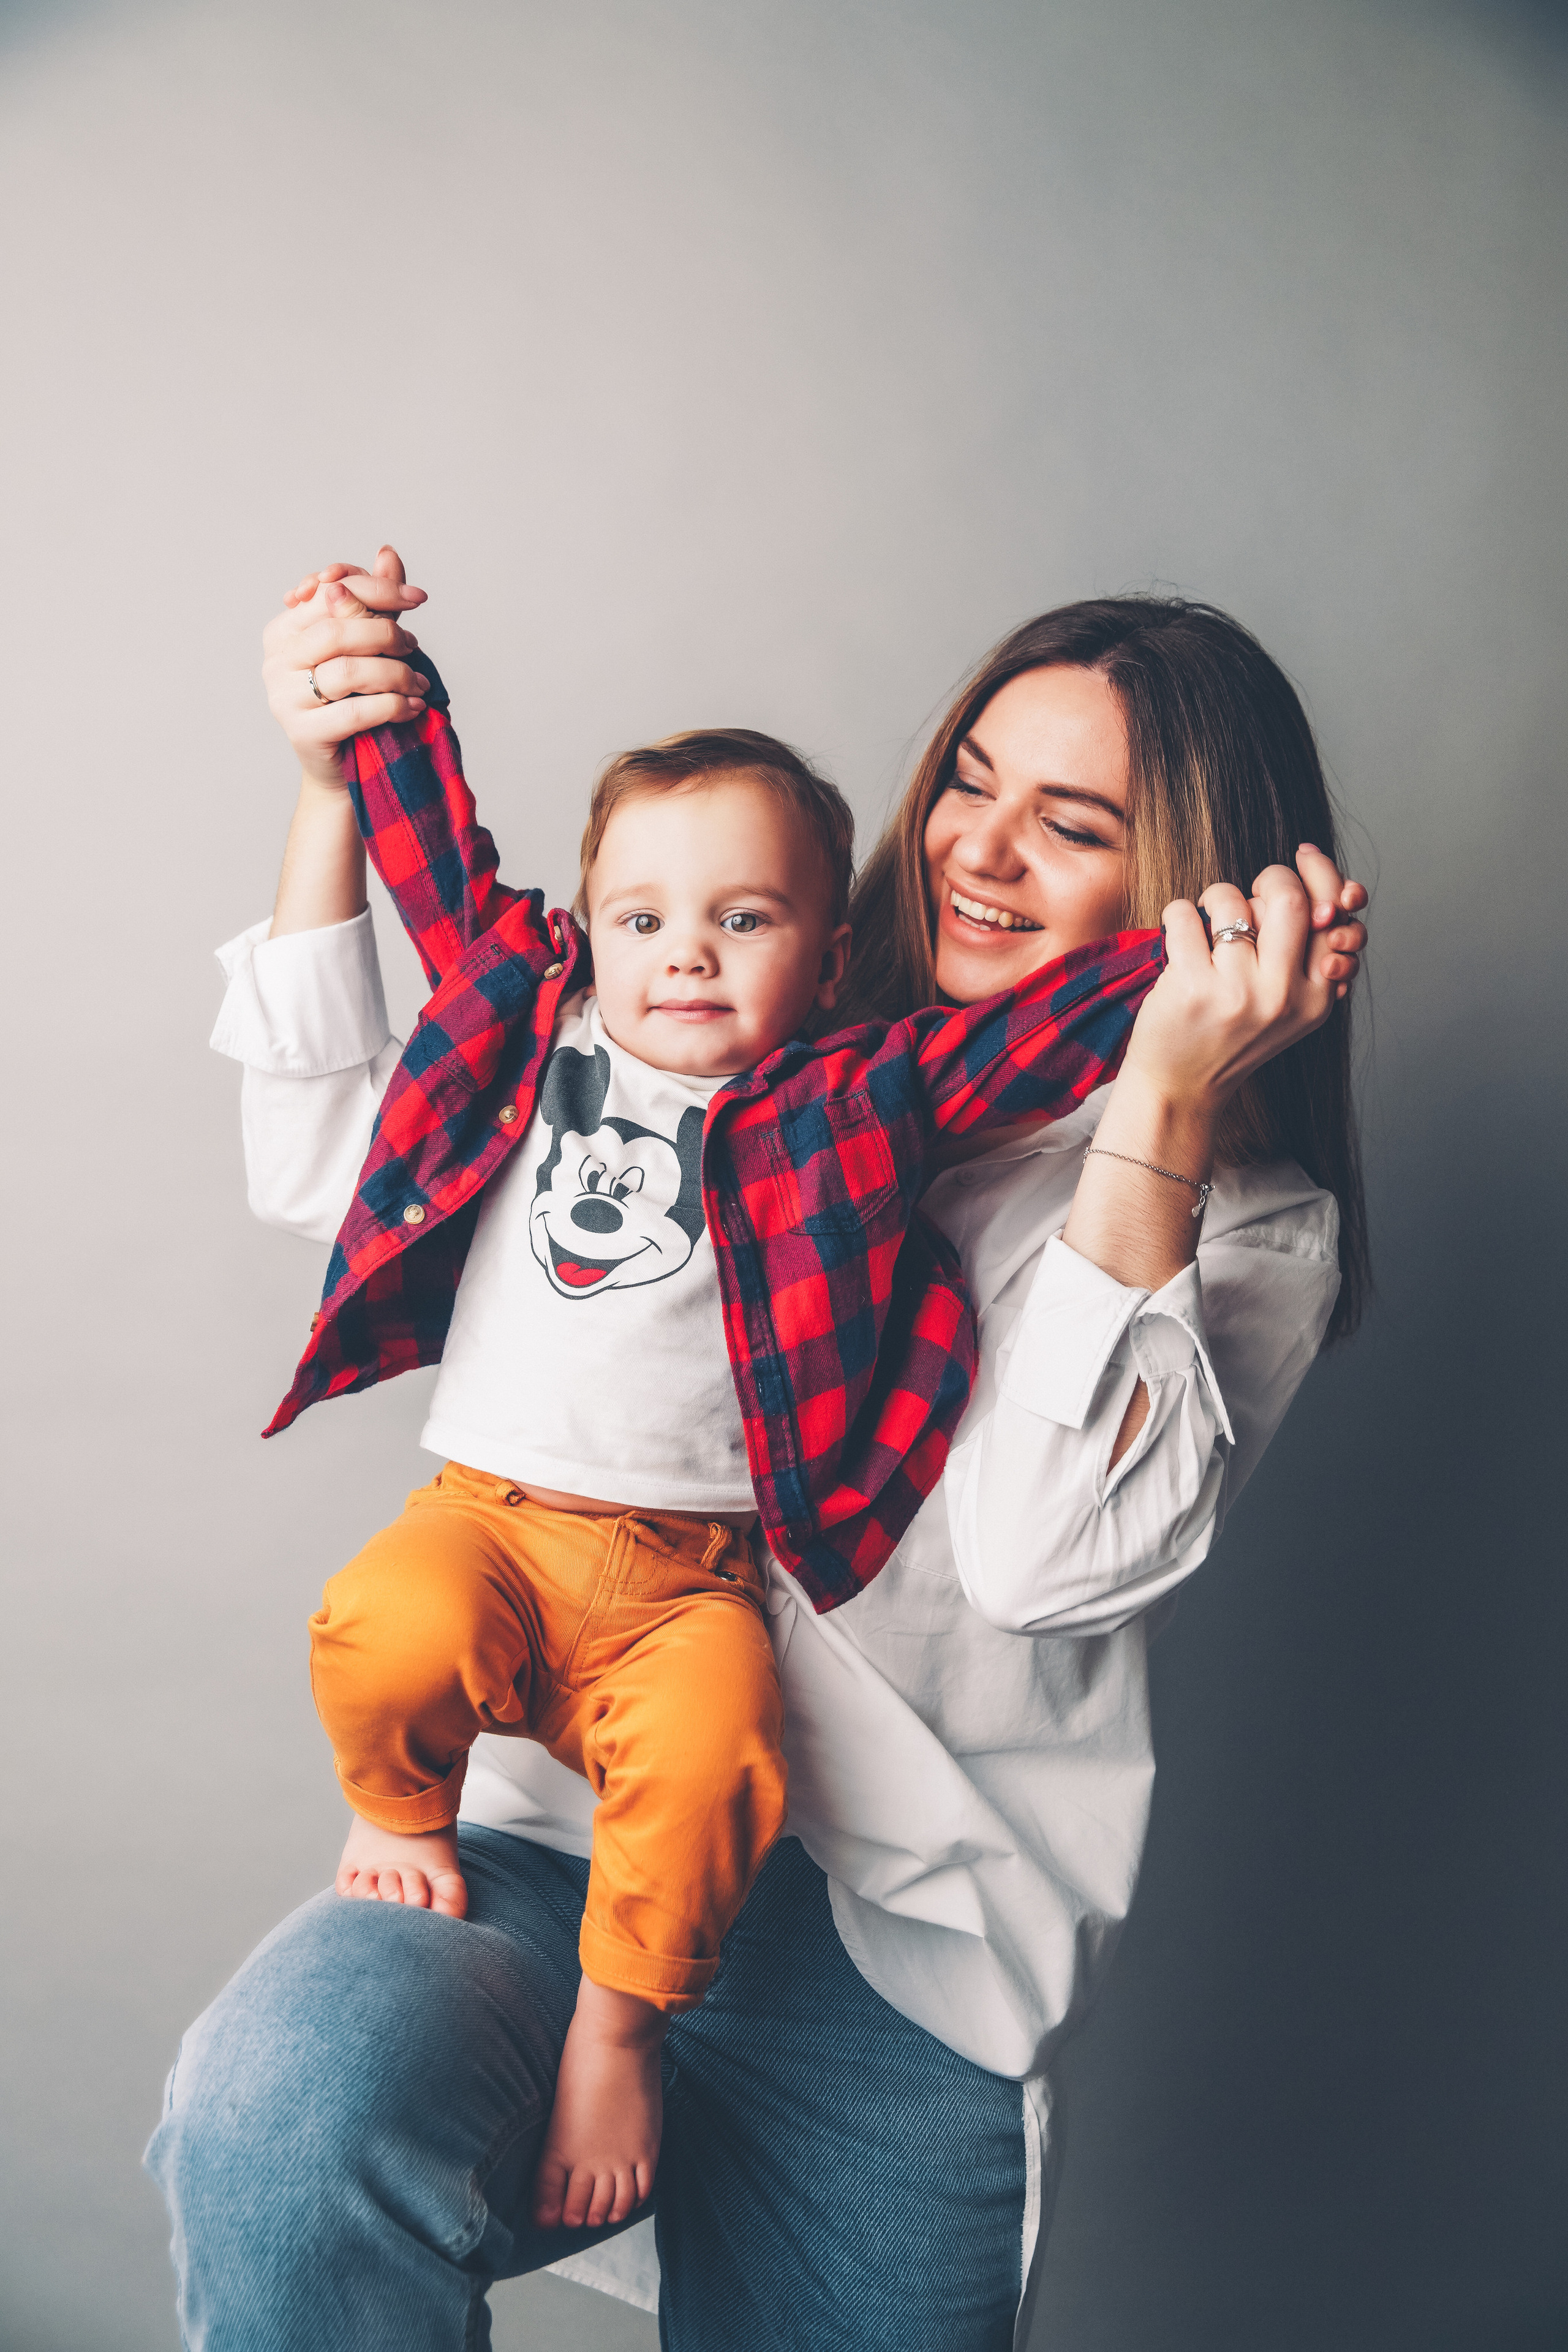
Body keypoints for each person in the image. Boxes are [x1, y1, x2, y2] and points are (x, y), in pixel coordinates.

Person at [146, 550, 1368, 2352]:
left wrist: (1163, 1100)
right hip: (560, 1844)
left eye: (1075, 825)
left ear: (1183, 882)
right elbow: (335, 1178)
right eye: (969, 779)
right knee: (273, 2123)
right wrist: (338, 790)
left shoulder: (1244, 1225)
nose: (978, 849)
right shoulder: (729, 1024)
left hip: (893, 1958)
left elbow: (1044, 1562)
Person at [265, 578, 1169, 2231]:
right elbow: (435, 860)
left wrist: (1199, 963)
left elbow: (1026, 1053)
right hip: (492, 1518)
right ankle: (398, 1810)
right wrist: (371, 713)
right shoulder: (533, 1030)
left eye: (743, 920)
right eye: (644, 919)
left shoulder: (849, 1104)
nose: (684, 951)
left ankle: (619, 2029)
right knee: (378, 1625)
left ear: (831, 959)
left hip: (692, 1577)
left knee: (710, 1759)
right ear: (587, 928)